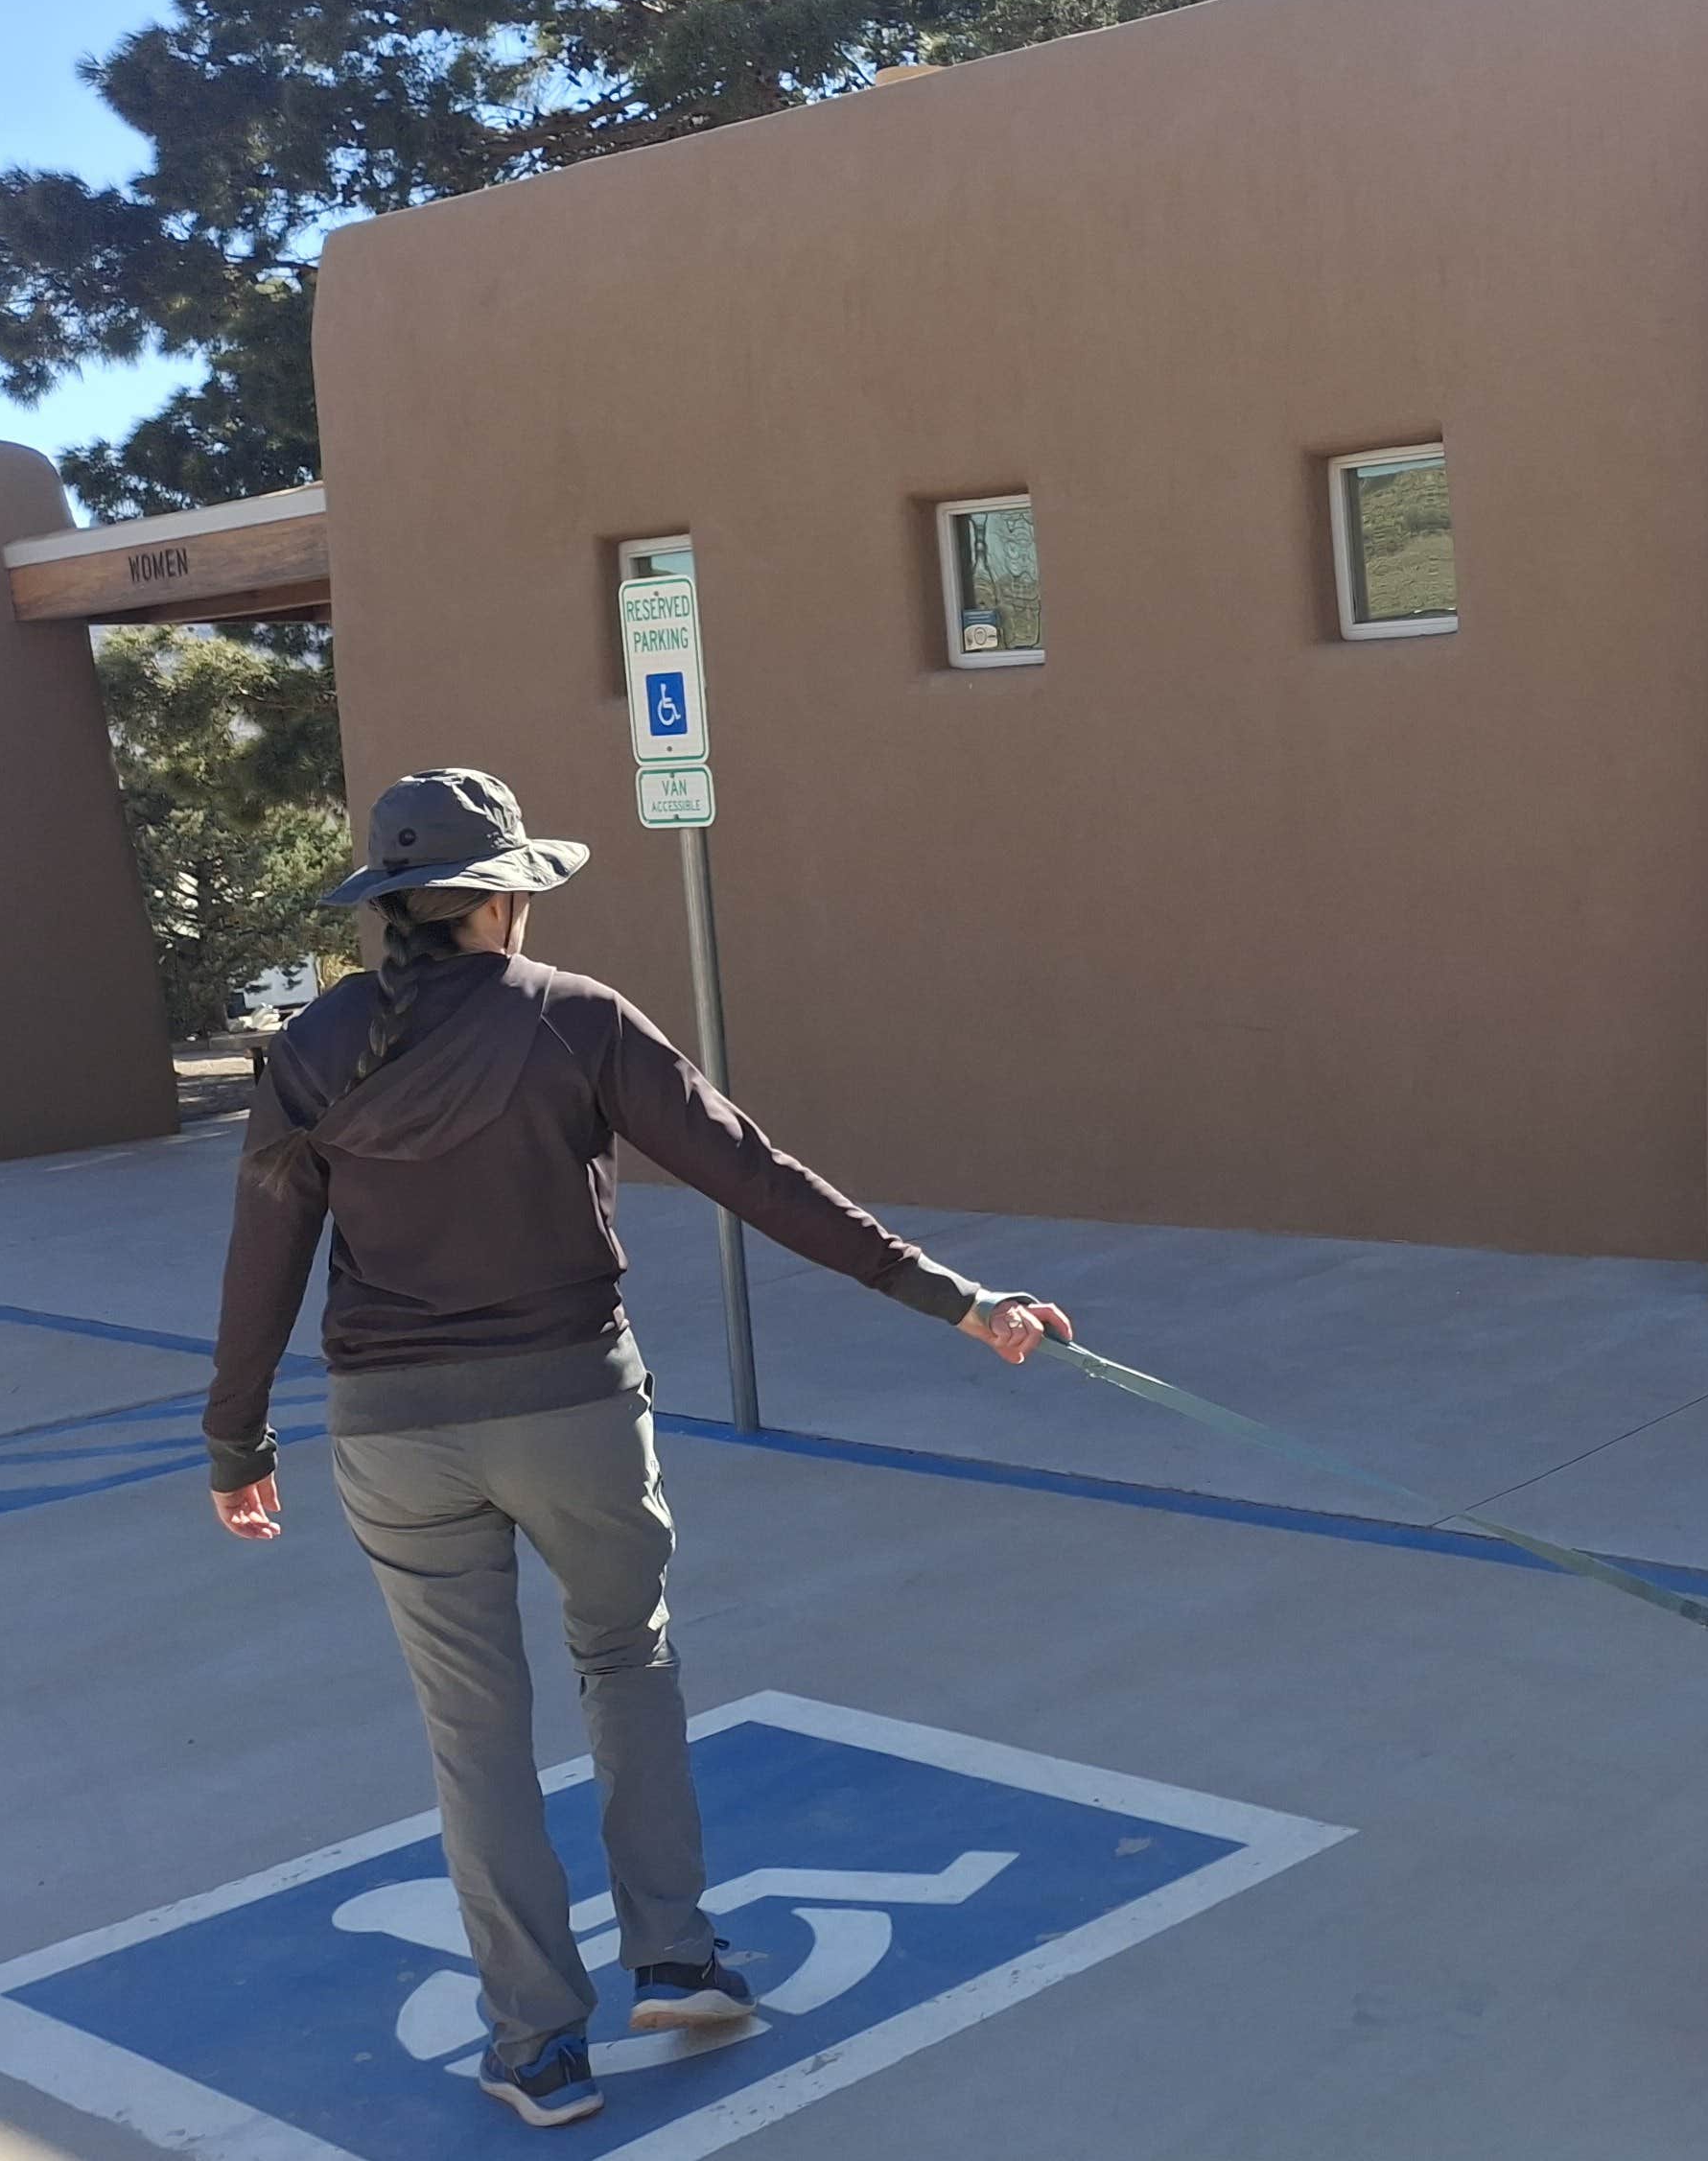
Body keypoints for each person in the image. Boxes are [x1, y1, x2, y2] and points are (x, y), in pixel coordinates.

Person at [204, 769, 1070, 2128]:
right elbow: (754, 1173)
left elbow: (265, 1252)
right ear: (504, 899)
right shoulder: (575, 1022)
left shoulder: (311, 1048)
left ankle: (538, 2046)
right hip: (574, 1416)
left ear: (393, 903)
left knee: (472, 1738)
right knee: (627, 1661)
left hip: (392, 1438)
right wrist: (957, 1301)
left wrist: (233, 1438)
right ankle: (673, 1958)